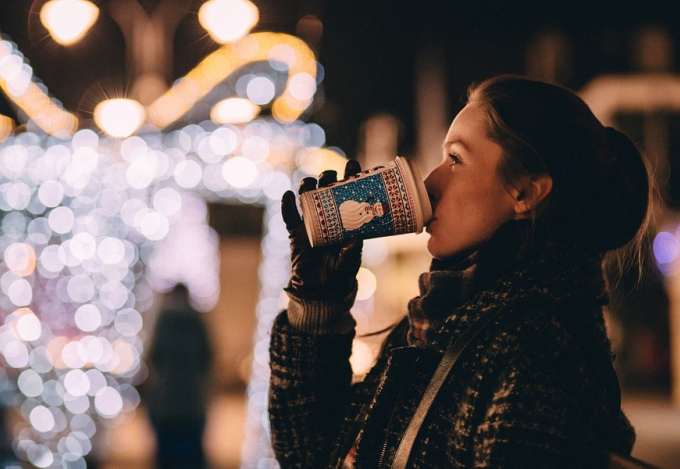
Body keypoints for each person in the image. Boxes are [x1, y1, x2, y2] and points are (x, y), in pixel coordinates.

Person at [269, 75, 651, 468]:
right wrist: (318, 302)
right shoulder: (442, 319)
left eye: (456, 159)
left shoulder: (536, 347)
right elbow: (311, 454)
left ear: (526, 192)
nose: (431, 182)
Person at [144, 283, 213, 469]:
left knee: (167, 456)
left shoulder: (164, 322)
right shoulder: (197, 321)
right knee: (191, 457)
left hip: (167, 402)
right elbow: (207, 358)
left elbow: (154, 356)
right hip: (192, 402)